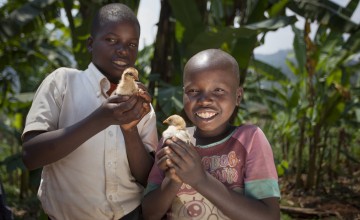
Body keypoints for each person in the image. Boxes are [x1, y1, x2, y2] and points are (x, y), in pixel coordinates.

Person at [21, 3, 158, 220]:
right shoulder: (63, 83)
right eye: (111, 40)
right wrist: (101, 118)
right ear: (91, 44)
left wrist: (130, 131)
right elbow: (31, 155)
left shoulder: (140, 104)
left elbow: (147, 178)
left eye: (131, 44)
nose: (123, 49)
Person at [142, 49, 281, 220]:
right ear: (183, 94)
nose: (204, 100)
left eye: (218, 91)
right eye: (193, 91)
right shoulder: (172, 140)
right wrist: (173, 180)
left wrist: (200, 179)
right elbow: (149, 214)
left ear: (238, 96)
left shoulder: (250, 139)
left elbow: (270, 216)